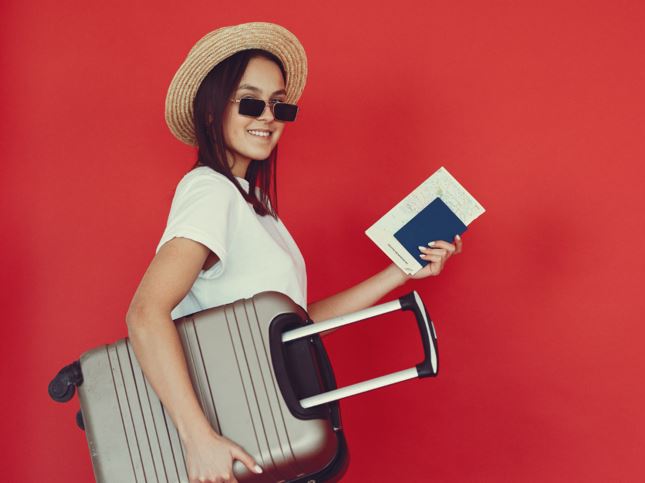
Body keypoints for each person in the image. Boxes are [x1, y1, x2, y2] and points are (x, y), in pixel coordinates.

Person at [125, 22, 463, 483]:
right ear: (210, 111)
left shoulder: (253, 207)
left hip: (264, 427)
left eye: (278, 104)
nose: (267, 116)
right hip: (230, 438)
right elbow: (146, 313)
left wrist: (401, 272)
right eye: (249, 101)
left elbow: (295, 324)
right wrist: (198, 440)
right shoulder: (209, 191)